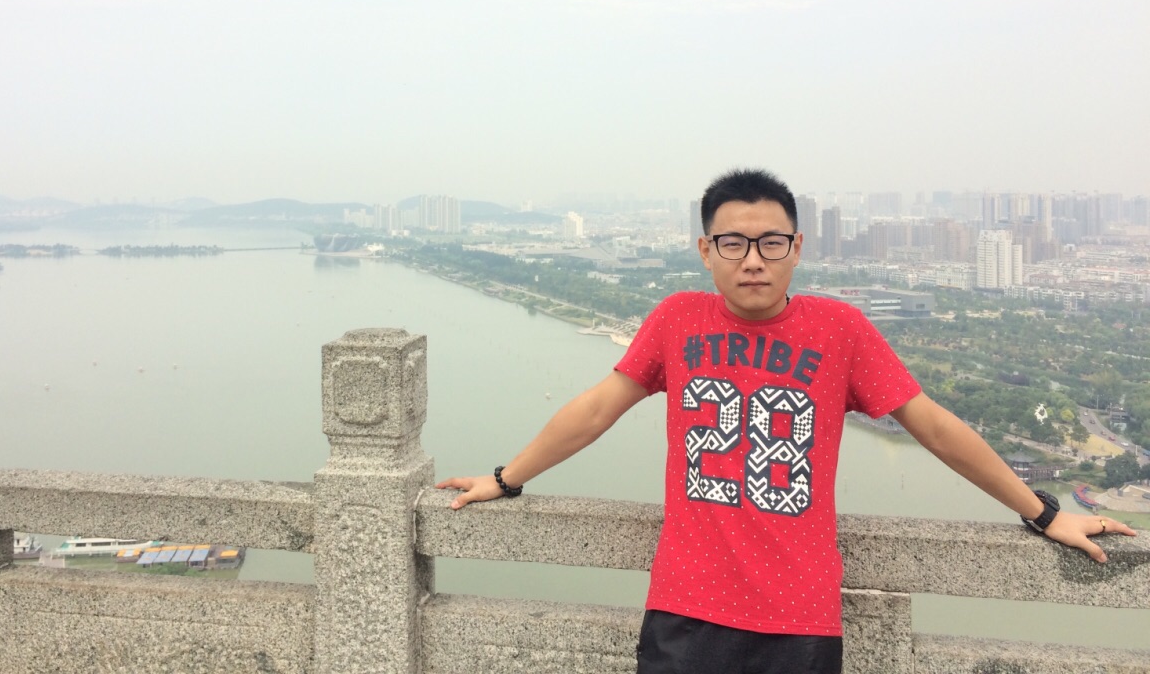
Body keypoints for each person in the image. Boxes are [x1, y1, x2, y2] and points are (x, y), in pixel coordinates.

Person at [437, 167, 1136, 674]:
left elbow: (935, 429)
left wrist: (1044, 513)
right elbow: (595, 411)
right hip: (685, 609)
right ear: (706, 250)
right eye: (733, 244)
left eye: (771, 243)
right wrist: (508, 477)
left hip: (799, 618)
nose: (753, 261)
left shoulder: (841, 331)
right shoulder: (677, 320)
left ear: (797, 248)